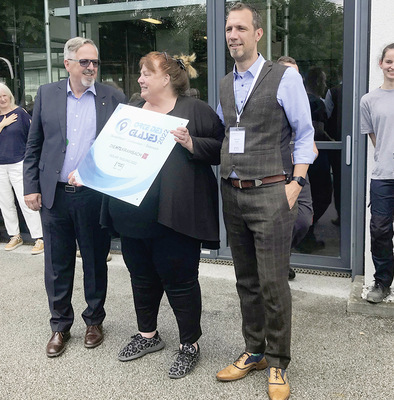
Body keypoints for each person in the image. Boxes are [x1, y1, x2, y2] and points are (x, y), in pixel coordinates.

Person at [101, 51, 224, 379]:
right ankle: (147, 336)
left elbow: (220, 148)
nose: (139, 79)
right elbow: (112, 153)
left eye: (146, 73)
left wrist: (191, 143)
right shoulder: (131, 111)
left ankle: (189, 345)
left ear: (166, 78)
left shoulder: (194, 110)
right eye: (140, 73)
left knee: (180, 281)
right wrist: (86, 173)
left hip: (176, 217)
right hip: (132, 214)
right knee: (141, 277)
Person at [216, 4, 315, 400]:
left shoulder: (284, 77)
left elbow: (305, 134)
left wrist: (296, 183)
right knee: (246, 281)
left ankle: (277, 362)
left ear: (258, 34)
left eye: (240, 28)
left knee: (274, 283)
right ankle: (254, 350)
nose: (232, 35)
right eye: (228, 29)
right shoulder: (225, 84)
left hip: (273, 192)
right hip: (234, 193)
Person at [23, 37, 128, 357]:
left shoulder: (113, 96)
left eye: (95, 62)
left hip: (92, 195)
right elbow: (34, 144)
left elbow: (119, 146)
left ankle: (94, 321)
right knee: (57, 265)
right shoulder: (47, 94)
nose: (92, 67)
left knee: (96, 261)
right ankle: (60, 326)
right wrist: (31, 186)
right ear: (67, 63)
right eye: (85, 62)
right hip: (54, 195)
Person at [277, 57, 317, 279]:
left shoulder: (302, 101)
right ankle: (277, 263)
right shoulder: (272, 103)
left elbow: (308, 137)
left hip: (299, 172)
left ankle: (281, 257)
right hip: (275, 171)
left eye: (296, 76)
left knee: (302, 220)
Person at [360, 43, 394, 303]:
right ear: (380, 64)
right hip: (383, 176)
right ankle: (382, 283)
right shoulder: (368, 100)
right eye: (388, 61)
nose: (392, 66)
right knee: (380, 230)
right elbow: (374, 136)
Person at [0, 83, 44, 255]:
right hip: (1, 166)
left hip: (19, 163)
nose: (3, 99)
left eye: (5, 95)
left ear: (10, 95)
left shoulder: (20, 113)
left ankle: (39, 238)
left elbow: (33, 137)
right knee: (5, 203)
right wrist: (3, 124)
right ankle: (14, 236)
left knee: (26, 200)